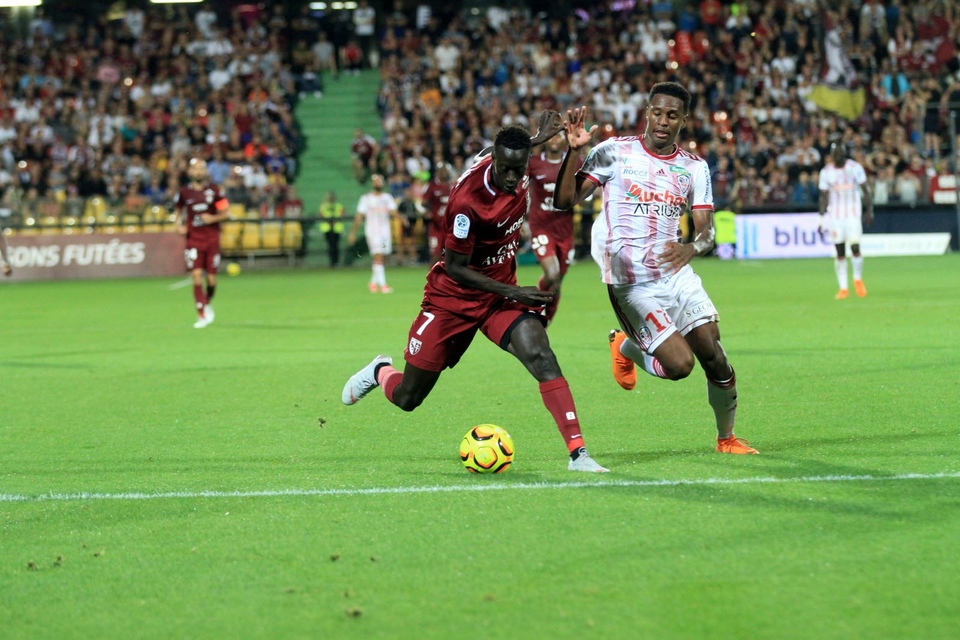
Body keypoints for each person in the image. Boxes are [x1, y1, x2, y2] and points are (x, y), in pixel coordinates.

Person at [342, 124, 609, 473]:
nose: (514, 177)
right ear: (493, 160)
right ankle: (380, 370)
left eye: (520, 167)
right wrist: (514, 291)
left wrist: (538, 139)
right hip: (452, 298)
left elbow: (512, 149)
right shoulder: (468, 203)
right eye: (506, 169)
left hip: (497, 296)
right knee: (409, 397)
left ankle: (579, 454)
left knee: (541, 355)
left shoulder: (512, 160)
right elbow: (454, 267)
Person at [553, 83, 758, 455]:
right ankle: (627, 346)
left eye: (673, 115)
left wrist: (693, 247)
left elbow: (706, 230)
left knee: (715, 355)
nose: (664, 121)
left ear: (683, 120)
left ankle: (726, 438)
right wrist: (573, 152)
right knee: (681, 366)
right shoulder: (613, 152)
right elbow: (564, 200)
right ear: (647, 112)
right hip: (632, 282)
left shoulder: (694, 168)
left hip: (675, 273)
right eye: (658, 113)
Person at [527, 131, 580, 326]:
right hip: (541, 226)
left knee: (557, 282)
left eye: (558, 136)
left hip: (565, 230)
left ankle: (545, 320)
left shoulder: (574, 161)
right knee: (552, 274)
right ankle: (534, 309)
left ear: (565, 139)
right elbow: (520, 188)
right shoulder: (533, 163)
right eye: (551, 136)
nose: (554, 140)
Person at [175, 158, 230, 328]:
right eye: (195, 169)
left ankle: (206, 303)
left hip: (212, 239)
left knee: (212, 280)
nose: (198, 172)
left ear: (206, 172)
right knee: (196, 276)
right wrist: (178, 225)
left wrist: (212, 218)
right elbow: (178, 211)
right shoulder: (184, 193)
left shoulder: (215, 191)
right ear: (190, 172)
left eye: (201, 169)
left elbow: (225, 213)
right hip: (194, 240)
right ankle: (201, 314)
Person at [818, 143, 873, 299]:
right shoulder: (826, 172)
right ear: (832, 155)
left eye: (841, 153)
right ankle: (843, 288)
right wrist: (821, 219)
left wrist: (869, 210)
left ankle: (857, 279)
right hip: (835, 215)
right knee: (840, 251)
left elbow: (865, 190)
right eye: (836, 153)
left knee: (855, 247)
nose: (839, 156)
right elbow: (823, 196)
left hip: (853, 213)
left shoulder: (855, 168)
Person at [347, 173, 403, 293]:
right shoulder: (366, 198)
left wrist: (401, 219)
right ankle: (383, 286)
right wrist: (353, 232)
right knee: (378, 255)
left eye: (380, 181)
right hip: (373, 232)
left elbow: (393, 211)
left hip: (385, 232)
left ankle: (372, 283)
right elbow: (359, 216)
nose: (379, 183)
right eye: (376, 181)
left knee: (382, 256)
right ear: (372, 183)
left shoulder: (387, 197)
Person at [318, 191, 345, 268]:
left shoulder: (338, 205)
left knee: (336, 246)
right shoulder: (324, 206)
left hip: (337, 228)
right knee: (330, 246)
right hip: (327, 228)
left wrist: (335, 222)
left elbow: (342, 214)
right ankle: (332, 262)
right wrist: (329, 222)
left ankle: (336, 262)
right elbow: (320, 215)